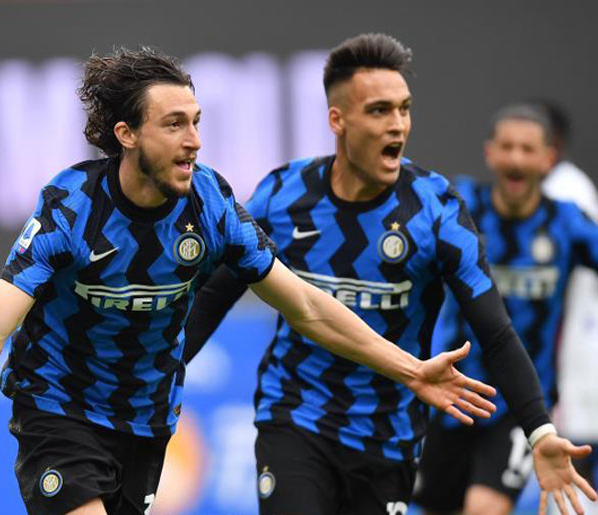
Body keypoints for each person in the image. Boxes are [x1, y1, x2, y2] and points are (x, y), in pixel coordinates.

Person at [0, 47, 497, 515]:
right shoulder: (70, 209)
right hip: (59, 408)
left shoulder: (212, 206)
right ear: (126, 135)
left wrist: (409, 369)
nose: (194, 141)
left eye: (196, 122)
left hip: (146, 422)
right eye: (174, 124)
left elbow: (306, 305)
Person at [183, 35, 596, 515]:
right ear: (337, 120)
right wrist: (163, 374)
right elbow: (216, 293)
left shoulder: (436, 209)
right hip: (296, 415)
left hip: (390, 433)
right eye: (379, 111)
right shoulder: (283, 194)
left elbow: (496, 331)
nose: (397, 124)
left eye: (404, 109)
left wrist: (540, 430)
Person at [413, 103, 598, 515]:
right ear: (490, 153)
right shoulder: (460, 211)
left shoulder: (566, 223)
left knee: (484, 509)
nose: (516, 159)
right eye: (507, 147)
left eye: (527, 149)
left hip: (521, 406)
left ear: (548, 158)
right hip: (453, 394)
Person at [535, 100, 598, 515]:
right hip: (573, 355)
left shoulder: (563, 193)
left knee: (574, 464)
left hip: (577, 352)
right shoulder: (569, 185)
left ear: (552, 145)